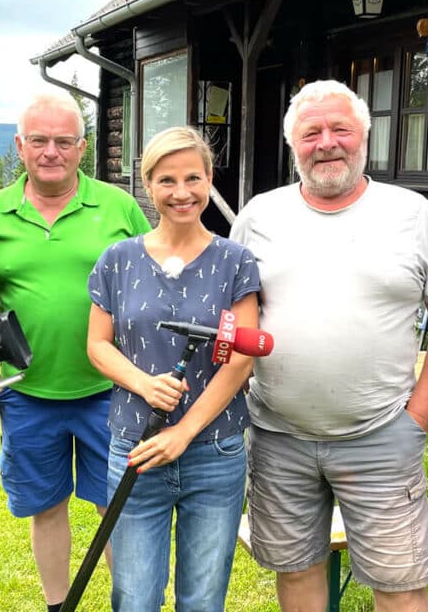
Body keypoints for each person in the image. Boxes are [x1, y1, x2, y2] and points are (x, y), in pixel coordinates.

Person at [230, 80, 428, 612]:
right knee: (296, 574)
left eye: (341, 128)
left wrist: (418, 418)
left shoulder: (410, 213)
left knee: (401, 585)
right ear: (292, 142)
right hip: (277, 436)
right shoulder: (258, 216)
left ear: (365, 136)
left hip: (382, 434)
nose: (327, 142)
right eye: (311, 131)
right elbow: (233, 315)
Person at [0, 91, 151, 611]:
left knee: (115, 507)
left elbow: (151, 278)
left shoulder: (118, 206)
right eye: (39, 140)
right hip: (26, 392)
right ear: (19, 146)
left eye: (64, 141)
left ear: (82, 147)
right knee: (45, 506)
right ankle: (58, 606)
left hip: (109, 390)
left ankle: (132, 604)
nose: (51, 151)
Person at [86, 126, 261, 611]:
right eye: (166, 180)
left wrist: (184, 431)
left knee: (203, 598)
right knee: (134, 595)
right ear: (147, 184)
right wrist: (144, 383)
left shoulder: (236, 262)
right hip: (136, 446)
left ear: (208, 180)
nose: (181, 193)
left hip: (214, 450)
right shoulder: (116, 261)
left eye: (192, 178)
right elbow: (98, 346)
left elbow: (241, 355)